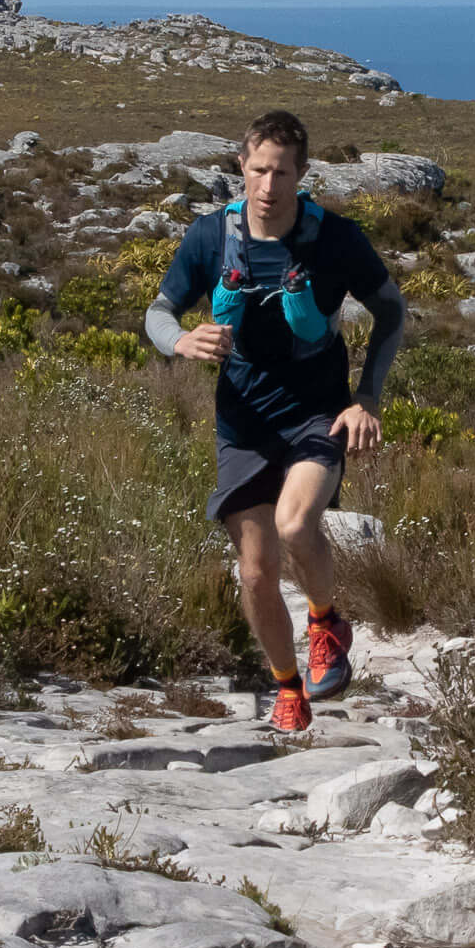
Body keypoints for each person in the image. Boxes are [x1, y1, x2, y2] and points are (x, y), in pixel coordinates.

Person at [146, 109, 406, 731]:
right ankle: (287, 685)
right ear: (242, 166)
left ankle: (324, 620)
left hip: (319, 414)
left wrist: (366, 397)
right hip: (242, 423)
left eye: (281, 173)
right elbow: (157, 313)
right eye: (258, 170)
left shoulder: (337, 239)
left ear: (302, 174)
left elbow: (392, 313)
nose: (268, 186)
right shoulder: (210, 237)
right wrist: (180, 342)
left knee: (295, 525)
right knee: (256, 572)